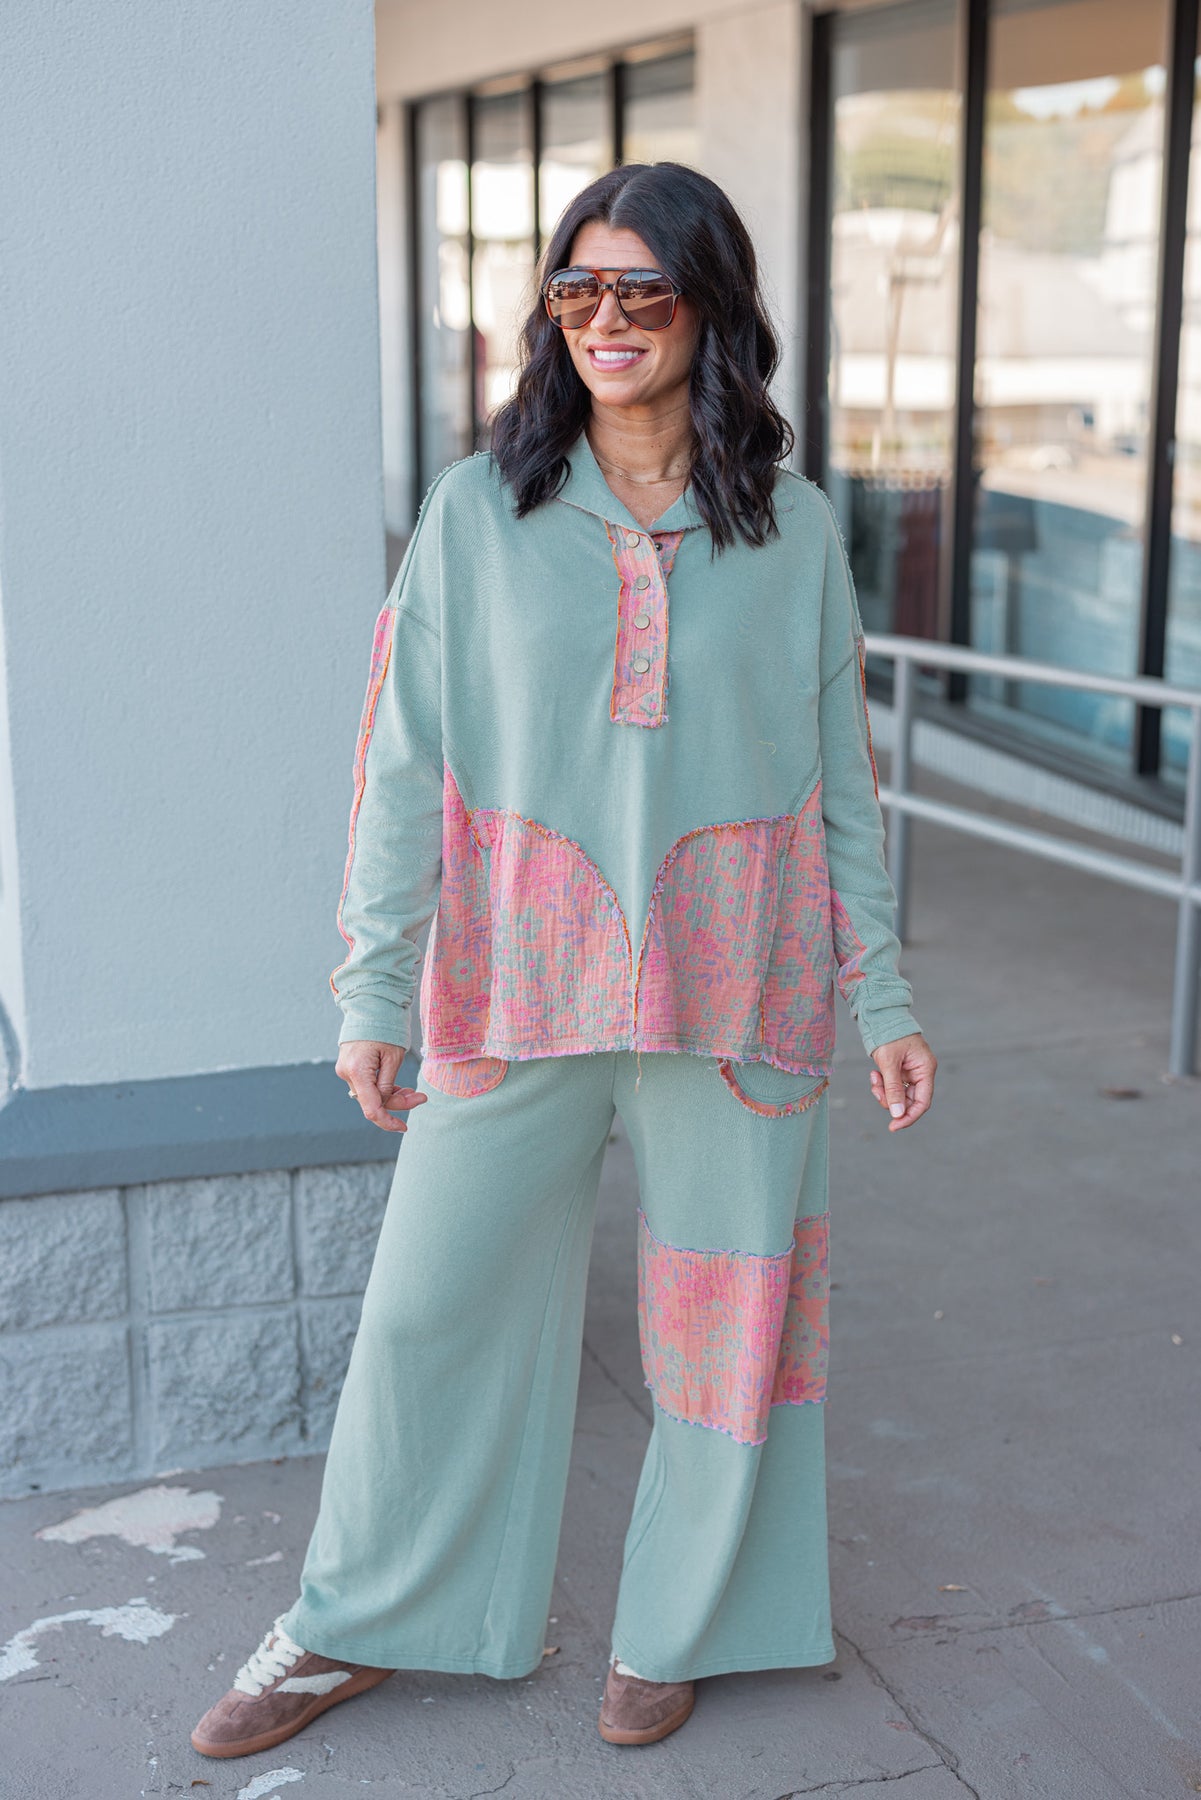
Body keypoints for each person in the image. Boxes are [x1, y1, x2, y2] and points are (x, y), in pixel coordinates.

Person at [190, 160, 937, 1762]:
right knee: (430, 1313)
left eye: (641, 289)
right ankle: (355, 1620)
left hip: (741, 995)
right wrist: (372, 986)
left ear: (710, 310)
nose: (606, 318)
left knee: (728, 1328)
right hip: (512, 987)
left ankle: (684, 1626)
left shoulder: (792, 527)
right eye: (576, 287)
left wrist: (878, 988)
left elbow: (838, 780)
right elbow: (403, 765)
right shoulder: (480, 512)